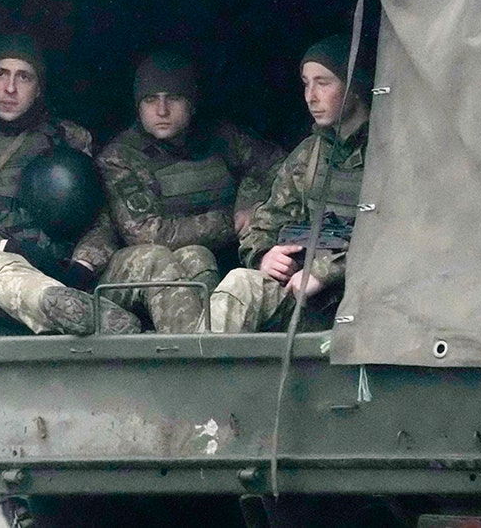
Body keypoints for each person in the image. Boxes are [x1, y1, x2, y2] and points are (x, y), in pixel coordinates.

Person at [0, 34, 141, 335]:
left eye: (24, 77)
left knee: (152, 260)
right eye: (0, 74)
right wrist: (3, 246)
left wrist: (83, 266)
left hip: (70, 274)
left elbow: (102, 219)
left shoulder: (69, 139)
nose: (10, 89)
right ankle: (74, 310)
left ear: (38, 89)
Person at [93, 50, 284, 333]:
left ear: (192, 104)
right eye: (150, 100)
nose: (161, 110)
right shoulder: (121, 157)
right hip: (142, 276)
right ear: (138, 106)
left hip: (216, 268)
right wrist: (230, 221)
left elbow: (281, 166)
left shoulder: (221, 138)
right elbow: (149, 234)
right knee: (194, 256)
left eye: (173, 98)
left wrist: (250, 198)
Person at [209, 34, 371, 333]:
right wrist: (265, 256)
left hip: (373, 307)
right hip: (310, 303)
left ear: (355, 86)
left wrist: (325, 271)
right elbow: (265, 224)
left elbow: (403, 239)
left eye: (323, 83)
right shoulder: (310, 155)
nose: (311, 96)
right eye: (306, 83)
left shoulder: (392, 153)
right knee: (240, 285)